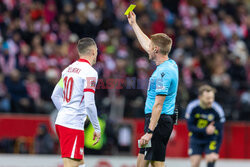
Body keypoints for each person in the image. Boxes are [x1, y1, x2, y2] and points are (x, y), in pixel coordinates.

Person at [127, 11, 179, 167]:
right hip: (159, 120)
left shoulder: (163, 74)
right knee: (149, 163)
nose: (146, 48)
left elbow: (158, 104)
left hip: (158, 121)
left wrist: (149, 132)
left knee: (148, 164)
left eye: (150, 46)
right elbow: (146, 43)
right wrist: (134, 24)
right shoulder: (170, 64)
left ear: (156, 49)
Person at [51, 38, 101, 167]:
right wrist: (96, 127)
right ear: (93, 52)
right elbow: (89, 103)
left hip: (64, 121)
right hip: (72, 125)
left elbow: (55, 95)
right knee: (71, 165)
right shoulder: (90, 72)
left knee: (80, 163)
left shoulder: (68, 70)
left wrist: (65, 111)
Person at [185, 85, 225, 167]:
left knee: (211, 160)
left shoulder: (218, 110)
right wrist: (205, 130)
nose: (211, 101)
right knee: (195, 163)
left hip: (211, 139)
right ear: (200, 97)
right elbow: (190, 127)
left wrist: (216, 152)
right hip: (196, 138)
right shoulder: (192, 107)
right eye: (208, 98)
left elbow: (220, 132)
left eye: (212, 98)